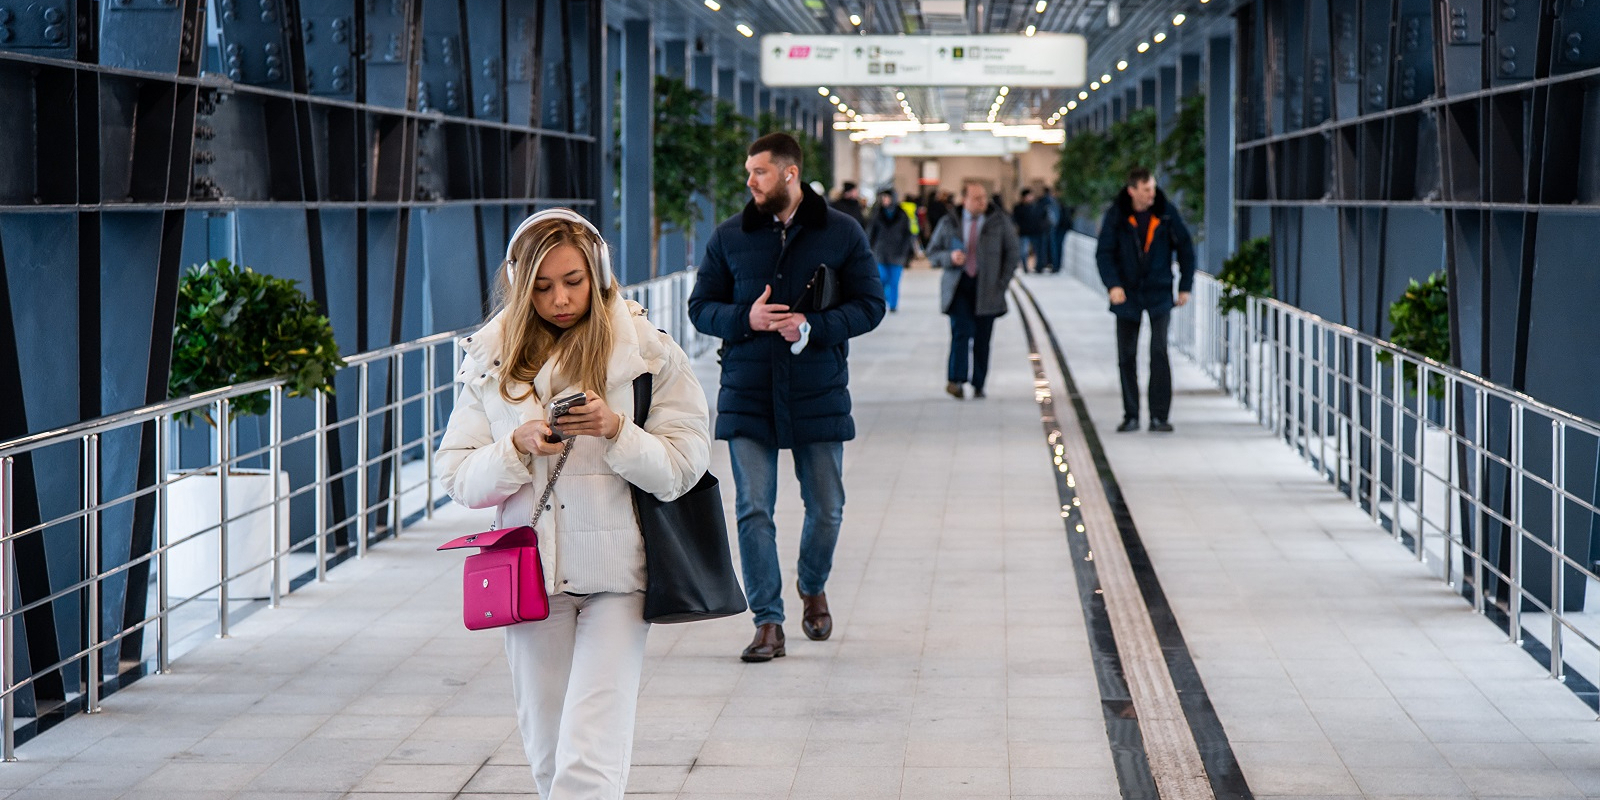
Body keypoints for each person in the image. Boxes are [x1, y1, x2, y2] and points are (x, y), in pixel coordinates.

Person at [437, 209, 712, 798]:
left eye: (573, 281)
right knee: (547, 753)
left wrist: (616, 430)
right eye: (541, 287)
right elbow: (458, 478)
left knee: (588, 758)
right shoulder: (491, 362)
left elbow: (683, 466)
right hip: (532, 581)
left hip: (620, 578)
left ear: (599, 274)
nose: (560, 299)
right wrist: (514, 446)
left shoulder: (647, 354)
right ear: (517, 285)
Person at [688, 132, 885, 662]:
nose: (749, 181)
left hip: (817, 390)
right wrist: (744, 318)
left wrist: (813, 327)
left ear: (789, 173)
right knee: (753, 508)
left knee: (827, 508)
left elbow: (871, 305)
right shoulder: (729, 237)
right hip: (747, 393)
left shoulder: (841, 233)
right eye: (749, 172)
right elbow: (700, 307)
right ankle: (767, 622)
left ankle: (812, 584)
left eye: (760, 172)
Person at [1095, 167, 1197, 433]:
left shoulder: (1165, 212)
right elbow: (1104, 253)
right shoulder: (1117, 215)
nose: (1152, 193)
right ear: (1132, 191)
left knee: (1159, 351)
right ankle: (1131, 415)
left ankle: (1159, 417)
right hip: (1126, 293)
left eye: (1152, 188)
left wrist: (1185, 285)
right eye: (1146, 189)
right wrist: (1113, 285)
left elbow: (1186, 248)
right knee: (1126, 356)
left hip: (1159, 291)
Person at [926, 179, 1021, 400]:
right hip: (959, 285)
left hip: (987, 287)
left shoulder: (999, 222)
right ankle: (955, 380)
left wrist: (1002, 283)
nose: (982, 202)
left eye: (984, 198)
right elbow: (932, 252)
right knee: (961, 331)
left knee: (982, 337)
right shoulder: (949, 222)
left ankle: (979, 382)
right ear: (964, 200)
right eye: (976, 198)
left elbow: (1012, 253)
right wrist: (949, 258)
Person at [867, 188, 916, 313]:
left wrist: (906, 251)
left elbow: (907, 235)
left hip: (897, 253)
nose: (885, 200)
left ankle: (893, 304)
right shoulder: (877, 214)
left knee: (894, 281)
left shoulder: (902, 214)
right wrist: (869, 248)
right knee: (882, 278)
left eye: (887, 197)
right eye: (883, 198)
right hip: (880, 252)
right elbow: (871, 232)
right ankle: (883, 300)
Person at [1012, 189, 1046, 273]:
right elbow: (1015, 219)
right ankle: (1025, 267)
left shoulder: (1037, 206)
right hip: (1024, 232)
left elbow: (1042, 217)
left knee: (1037, 251)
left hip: (1036, 232)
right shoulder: (1018, 207)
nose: (1030, 198)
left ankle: (1038, 267)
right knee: (1023, 252)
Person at [1038, 186, 1064, 273]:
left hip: (1044, 228)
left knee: (1043, 247)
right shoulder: (1054, 202)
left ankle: (1042, 265)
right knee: (1053, 247)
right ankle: (1055, 266)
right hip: (1053, 227)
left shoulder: (1042, 202)